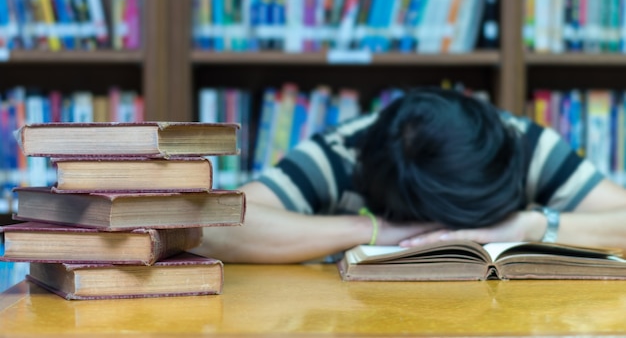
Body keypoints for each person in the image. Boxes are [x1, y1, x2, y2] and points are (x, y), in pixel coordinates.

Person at [193, 87, 626, 263]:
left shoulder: (520, 145)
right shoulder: (347, 151)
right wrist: (375, 229)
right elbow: (211, 225)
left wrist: (529, 225)